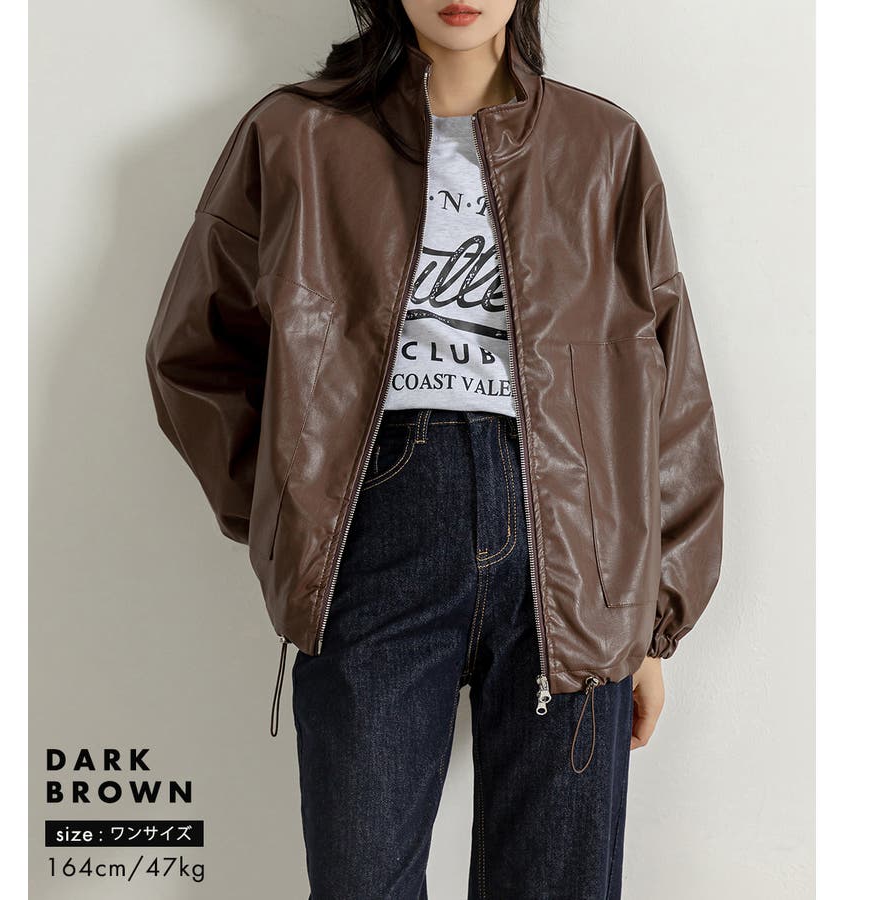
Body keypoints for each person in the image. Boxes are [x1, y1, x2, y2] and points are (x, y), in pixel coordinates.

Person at [145, 1, 725, 896]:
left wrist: (650, 626)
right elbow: (195, 356)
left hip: (577, 548)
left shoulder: (602, 144)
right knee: (361, 880)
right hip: (374, 528)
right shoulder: (295, 133)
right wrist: (296, 518)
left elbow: (668, 384)